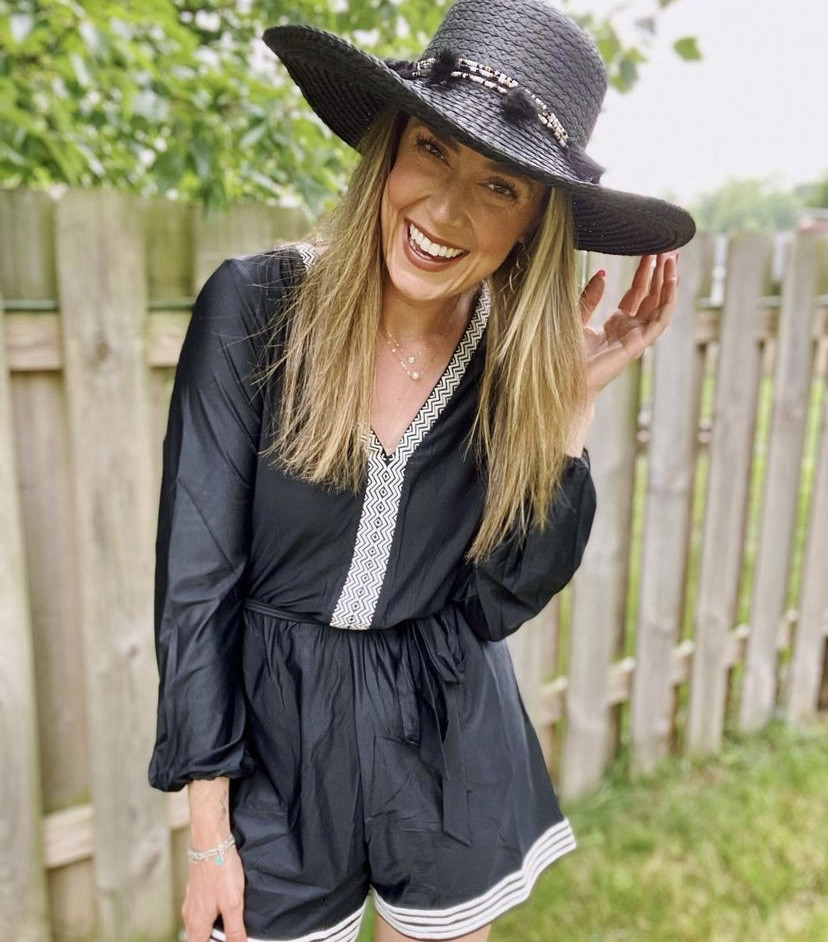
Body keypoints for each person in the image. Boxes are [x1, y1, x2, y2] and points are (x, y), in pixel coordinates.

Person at [148, 1, 695, 941]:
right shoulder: (258, 308)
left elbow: (492, 608)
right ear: (390, 147)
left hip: (443, 738)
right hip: (275, 749)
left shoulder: (506, 366)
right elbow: (197, 589)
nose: (444, 212)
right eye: (433, 149)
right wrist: (209, 837)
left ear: (532, 224)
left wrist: (565, 411)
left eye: (500, 186)